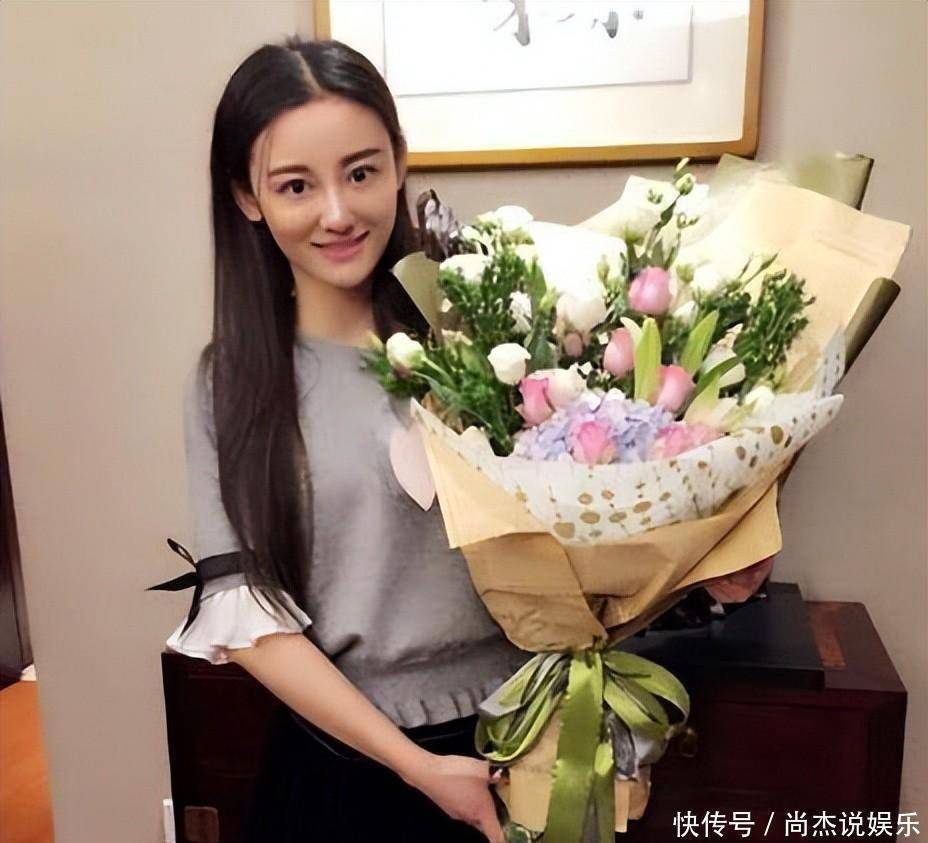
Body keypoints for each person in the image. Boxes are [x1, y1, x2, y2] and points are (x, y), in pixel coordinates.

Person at [155, 35, 531, 843]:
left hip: (527, 745)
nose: (337, 212)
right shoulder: (232, 382)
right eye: (296, 185)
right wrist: (418, 766)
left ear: (399, 163)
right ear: (248, 197)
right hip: (346, 774)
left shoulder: (484, 333)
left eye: (361, 172)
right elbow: (250, 619)